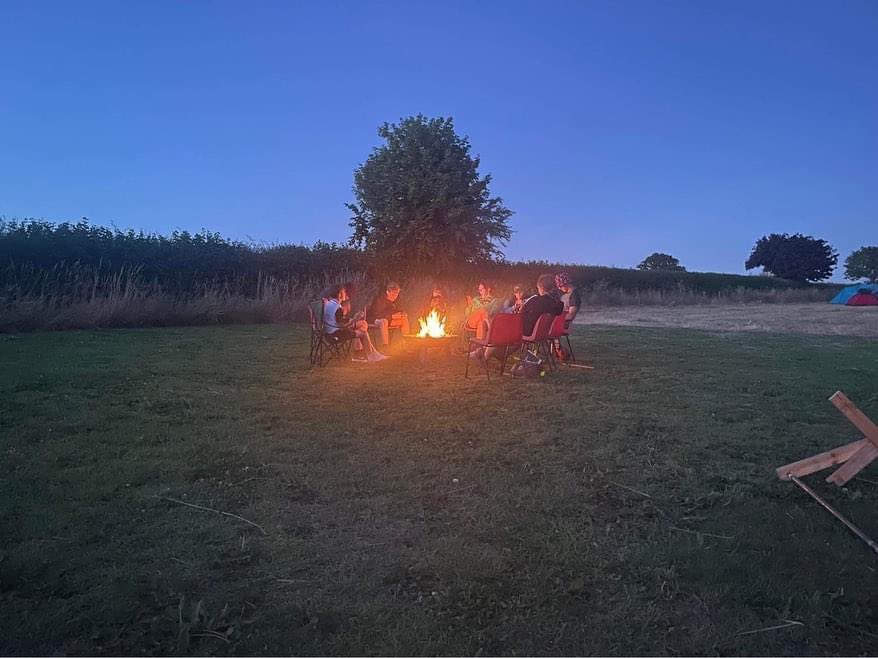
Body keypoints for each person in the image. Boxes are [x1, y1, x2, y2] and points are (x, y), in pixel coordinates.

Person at [324, 285, 386, 362]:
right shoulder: (337, 308)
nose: (345, 294)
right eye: (344, 292)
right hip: (336, 334)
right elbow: (343, 326)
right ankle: (371, 356)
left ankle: (366, 354)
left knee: (361, 326)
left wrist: (354, 320)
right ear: (339, 294)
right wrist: (355, 318)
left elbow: (339, 320)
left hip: (328, 332)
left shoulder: (328, 304)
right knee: (363, 333)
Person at [368, 281, 410, 345]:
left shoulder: (396, 300)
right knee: (384, 321)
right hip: (375, 319)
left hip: (389, 319)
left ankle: (407, 342)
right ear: (388, 292)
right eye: (393, 294)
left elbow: (396, 310)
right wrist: (392, 316)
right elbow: (377, 315)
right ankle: (385, 345)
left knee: (404, 317)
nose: (395, 296)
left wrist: (401, 313)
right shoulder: (379, 300)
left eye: (397, 294)